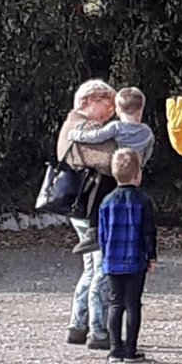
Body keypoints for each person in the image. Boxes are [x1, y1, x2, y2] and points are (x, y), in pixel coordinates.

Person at [58, 79, 117, 349]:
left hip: (78, 208)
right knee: (102, 270)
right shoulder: (86, 127)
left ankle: (77, 325)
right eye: (107, 105)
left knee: (91, 268)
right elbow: (110, 161)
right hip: (93, 210)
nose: (111, 112)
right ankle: (99, 330)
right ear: (88, 102)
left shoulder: (69, 126)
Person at [66, 86, 155, 256]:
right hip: (134, 172)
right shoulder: (147, 132)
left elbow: (95, 137)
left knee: (100, 188)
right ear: (141, 109)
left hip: (116, 168)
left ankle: (93, 231)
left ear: (118, 110)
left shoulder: (116, 127)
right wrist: (141, 164)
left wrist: (75, 135)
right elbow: (148, 151)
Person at [98, 148, 158, 362]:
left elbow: (102, 234)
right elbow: (148, 232)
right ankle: (131, 350)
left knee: (115, 304)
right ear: (137, 174)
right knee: (133, 304)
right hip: (135, 261)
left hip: (112, 261)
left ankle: (115, 350)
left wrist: (104, 256)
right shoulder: (143, 200)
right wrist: (152, 257)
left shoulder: (106, 201)